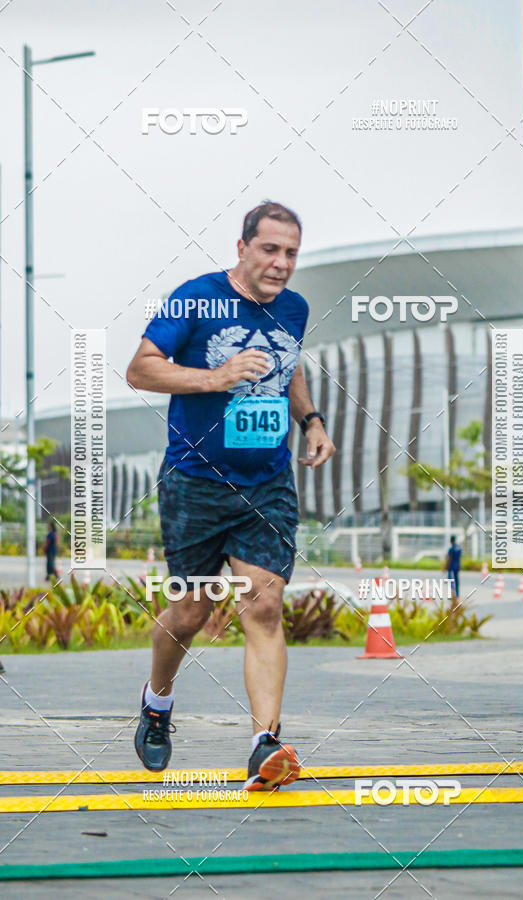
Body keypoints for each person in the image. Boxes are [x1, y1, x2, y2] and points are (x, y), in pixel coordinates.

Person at [126, 201, 335, 790]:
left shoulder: (293, 308)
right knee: (190, 611)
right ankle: (157, 702)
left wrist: (312, 420)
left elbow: (288, 365)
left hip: (267, 481)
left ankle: (264, 745)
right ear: (242, 247)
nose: (282, 263)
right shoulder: (196, 298)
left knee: (263, 605)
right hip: (195, 479)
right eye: (270, 249)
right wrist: (213, 378)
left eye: (291, 252)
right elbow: (141, 370)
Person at [445, 535, 462, 599]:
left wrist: (446, 567)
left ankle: (452, 595)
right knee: (457, 581)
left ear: (451, 541)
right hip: (457, 567)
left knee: (451, 581)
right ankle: (457, 594)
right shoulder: (459, 548)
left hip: (451, 567)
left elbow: (449, 559)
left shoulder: (451, 549)